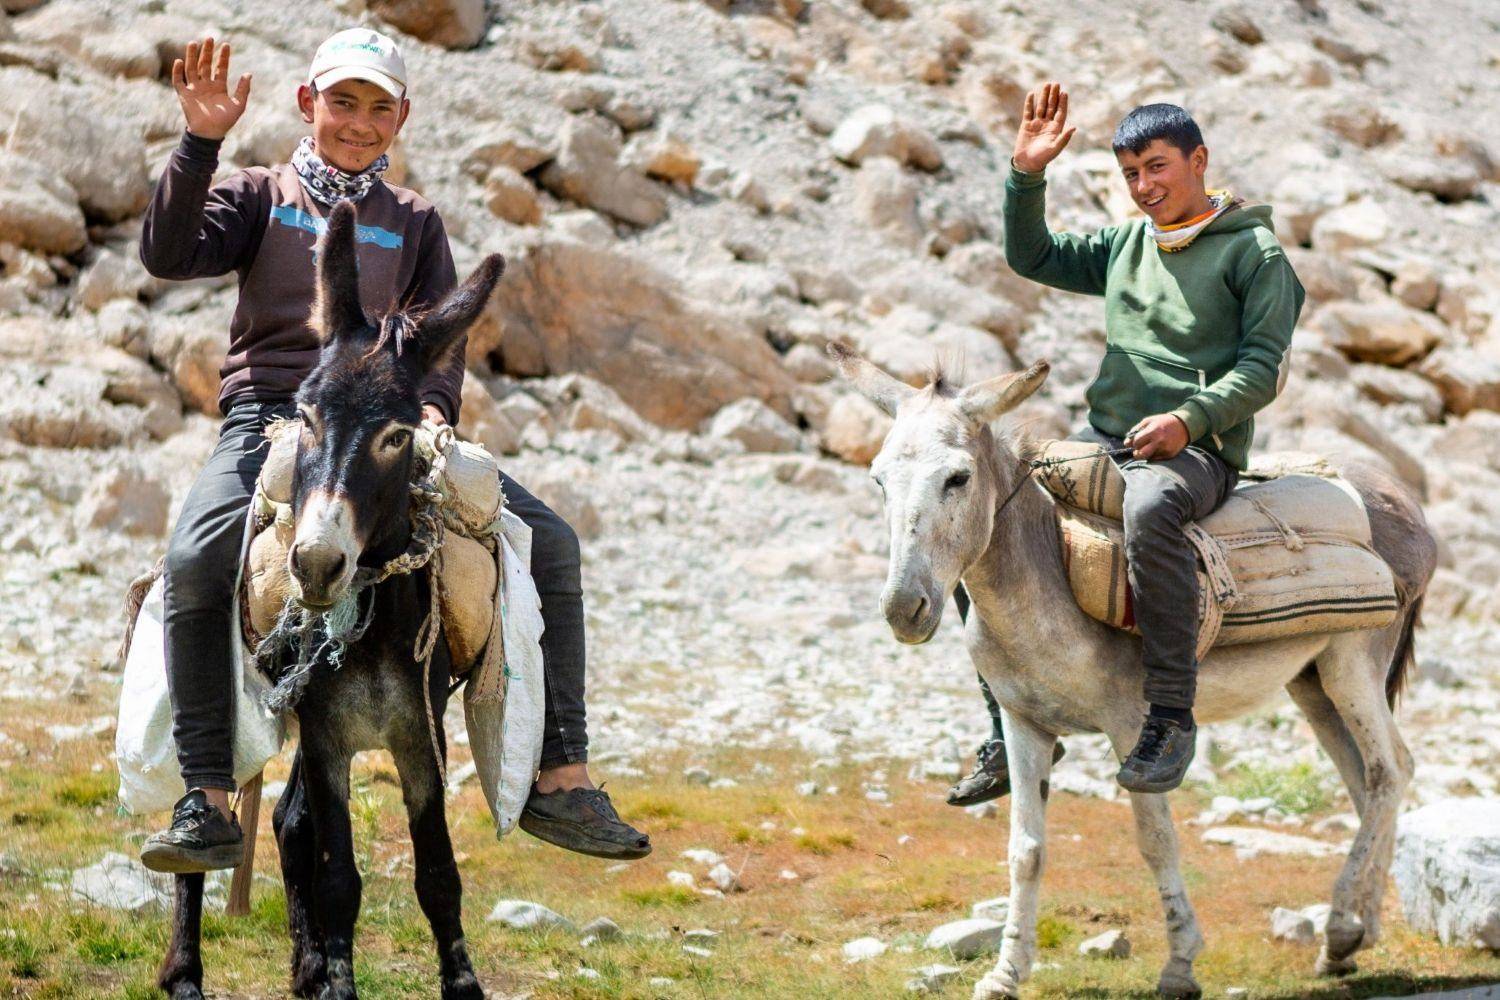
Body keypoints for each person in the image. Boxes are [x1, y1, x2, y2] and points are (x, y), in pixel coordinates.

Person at [138, 29, 650, 873]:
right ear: (309, 104)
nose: (360, 122)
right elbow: (166, 254)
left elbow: (438, 350)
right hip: (276, 416)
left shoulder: (413, 221)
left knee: (549, 541)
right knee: (196, 558)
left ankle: (561, 776)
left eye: (380, 107)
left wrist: (436, 420)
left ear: (402, 117)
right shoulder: (258, 195)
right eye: (343, 102)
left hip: (386, 429)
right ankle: (207, 797)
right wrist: (199, 142)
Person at [951, 82, 1302, 798]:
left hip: (1199, 452)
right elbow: (1036, 258)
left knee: (1149, 511)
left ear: (1198, 160)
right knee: (985, 508)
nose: (1143, 187)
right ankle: (1004, 725)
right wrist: (1026, 175)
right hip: (1104, 437)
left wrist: (1190, 421)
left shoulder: (1257, 256)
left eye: (1158, 168)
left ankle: (1170, 715)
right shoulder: (1127, 242)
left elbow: (1264, 370)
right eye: (1131, 174)